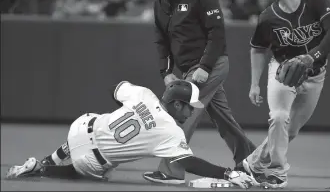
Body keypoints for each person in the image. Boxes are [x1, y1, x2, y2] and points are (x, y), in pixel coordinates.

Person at [5, 80, 253, 189]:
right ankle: (42, 168)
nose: (192, 112)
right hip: (90, 162)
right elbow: (188, 162)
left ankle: (52, 157)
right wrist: (228, 173)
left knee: (93, 127)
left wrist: (132, 113)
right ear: (177, 105)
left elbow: (116, 89)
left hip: (80, 125)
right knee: (99, 174)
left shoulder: (144, 94)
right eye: (190, 106)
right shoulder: (170, 130)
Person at [144, 0, 257, 184]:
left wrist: (205, 66)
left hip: (210, 65)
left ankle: (171, 171)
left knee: (183, 114)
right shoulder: (160, 3)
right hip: (187, 69)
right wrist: (166, 72)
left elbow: (217, 35)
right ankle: (254, 163)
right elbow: (161, 40)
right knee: (223, 118)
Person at [243, 0, 330, 189]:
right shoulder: (268, 18)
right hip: (282, 72)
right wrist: (254, 84)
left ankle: (254, 163)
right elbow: (258, 49)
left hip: (315, 74)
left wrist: (312, 56)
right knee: (279, 117)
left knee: (290, 130)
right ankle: (277, 172)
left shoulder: (316, 0)